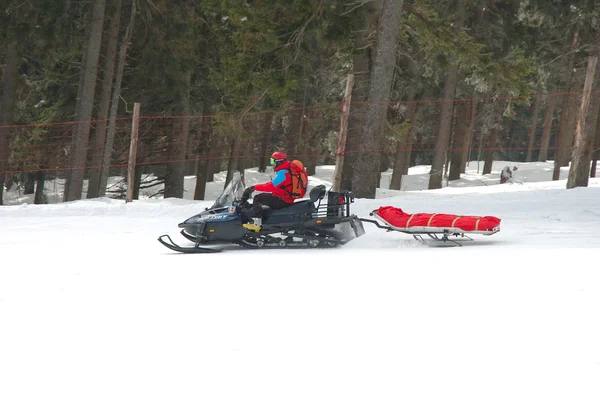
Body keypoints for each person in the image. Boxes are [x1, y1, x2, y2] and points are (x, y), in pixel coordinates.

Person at [241, 151, 295, 232]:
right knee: (263, 198)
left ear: (278, 162)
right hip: (283, 196)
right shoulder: (285, 171)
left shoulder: (283, 173)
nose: (271, 163)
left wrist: (254, 187)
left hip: (283, 199)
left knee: (258, 198)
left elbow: (271, 186)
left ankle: (256, 224)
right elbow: (273, 185)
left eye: (272, 161)